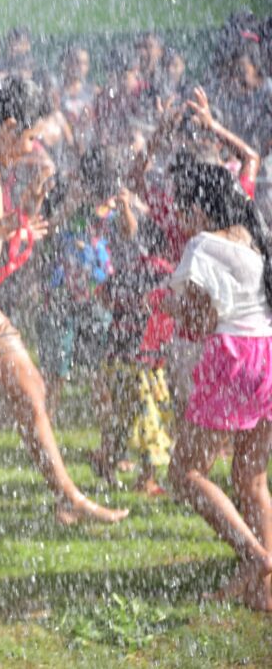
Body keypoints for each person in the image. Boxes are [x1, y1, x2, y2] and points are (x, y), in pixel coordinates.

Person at [0, 78, 129, 526]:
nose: (28, 149)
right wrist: (14, 220)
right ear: (6, 127)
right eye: (26, 137)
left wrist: (19, 221)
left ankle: (69, 498)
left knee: (31, 391)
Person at [165, 160, 272, 611]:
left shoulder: (202, 245)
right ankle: (267, 590)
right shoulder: (251, 237)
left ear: (196, 207)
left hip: (230, 358)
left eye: (180, 206)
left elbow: (197, 319)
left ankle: (256, 559)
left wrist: (167, 305)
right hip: (267, 353)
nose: (177, 215)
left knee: (185, 472)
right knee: (251, 477)